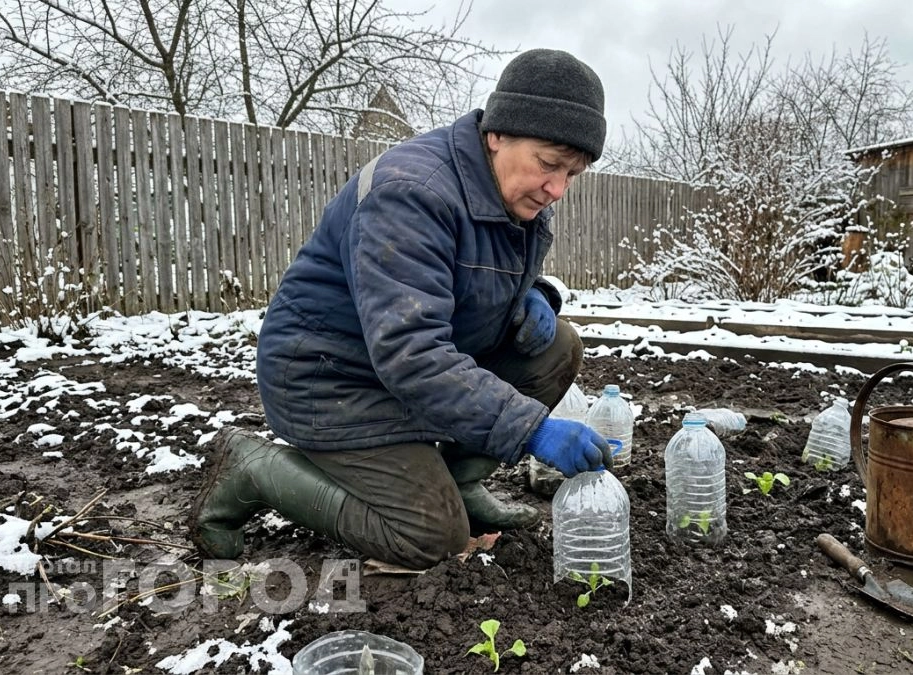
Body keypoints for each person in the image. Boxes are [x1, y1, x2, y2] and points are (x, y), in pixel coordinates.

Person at [189, 49, 614, 570]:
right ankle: (254, 470)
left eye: (572, 174)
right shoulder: (412, 192)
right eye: (549, 165)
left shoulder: (509, 192)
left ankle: (458, 483)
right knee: (428, 539)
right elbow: (411, 351)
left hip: (402, 372)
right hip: (331, 380)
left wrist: (536, 295)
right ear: (498, 132)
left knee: (556, 345)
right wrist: (530, 430)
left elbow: (461, 280)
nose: (557, 190)